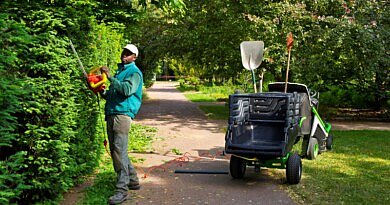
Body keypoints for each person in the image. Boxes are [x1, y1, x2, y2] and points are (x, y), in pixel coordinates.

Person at [99, 44, 143, 204]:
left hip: (122, 115)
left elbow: (126, 90)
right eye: (124, 52)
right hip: (113, 113)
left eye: (129, 53)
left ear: (134, 57)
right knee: (118, 150)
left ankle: (121, 190)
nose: (125, 55)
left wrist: (110, 77)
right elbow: (115, 94)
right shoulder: (122, 71)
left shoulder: (134, 72)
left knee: (118, 151)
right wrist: (102, 91)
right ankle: (133, 180)